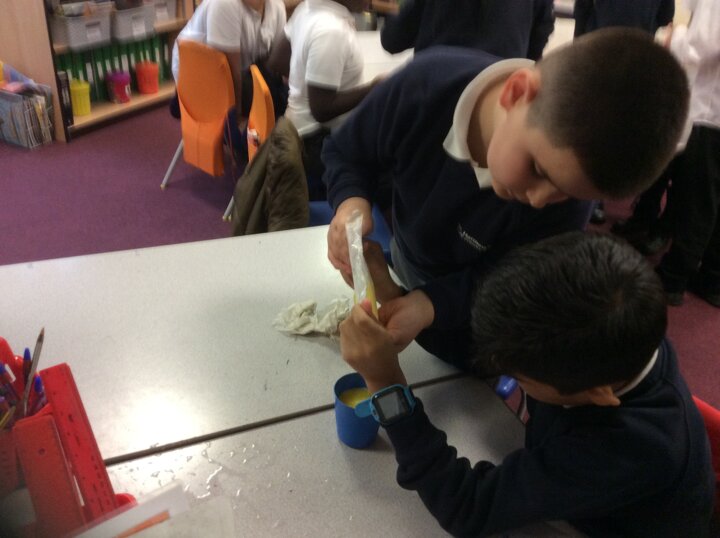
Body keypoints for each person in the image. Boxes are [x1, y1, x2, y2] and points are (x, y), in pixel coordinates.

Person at [323, 28, 689, 366]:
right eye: (539, 169)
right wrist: (351, 201)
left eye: (567, 194)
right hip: (409, 253)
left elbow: (509, 279)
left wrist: (429, 304)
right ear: (516, 93)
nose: (539, 200)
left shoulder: (569, 195)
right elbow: (347, 152)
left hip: (473, 310)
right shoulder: (425, 84)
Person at [340, 232, 715, 537]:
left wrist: (387, 388)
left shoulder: (631, 450)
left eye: (517, 376)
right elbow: (487, 350)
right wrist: (396, 298)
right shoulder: (614, 338)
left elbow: (467, 508)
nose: (503, 371)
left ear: (597, 395)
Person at [572, 0, 675, 224]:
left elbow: (582, 10)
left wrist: (579, 44)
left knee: (595, 126)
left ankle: (590, 196)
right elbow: (665, 16)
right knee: (614, 126)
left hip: (601, 49)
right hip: (634, 52)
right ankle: (598, 194)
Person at [267, 0, 380, 200]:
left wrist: (306, 77)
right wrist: (373, 89)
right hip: (318, 143)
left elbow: (277, 59)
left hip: (297, 128)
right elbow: (322, 110)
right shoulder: (331, 31)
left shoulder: (306, 10)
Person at [654, 0, 720, 308]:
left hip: (712, 114)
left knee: (698, 199)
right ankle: (713, 278)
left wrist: (673, 37)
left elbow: (703, 46)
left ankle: (674, 278)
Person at [170, 0, 288, 157]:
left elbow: (276, 64)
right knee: (262, 142)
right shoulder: (225, 4)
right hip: (203, 82)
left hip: (245, 72)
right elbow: (229, 75)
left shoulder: (276, 6)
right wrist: (238, 119)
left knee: (284, 113)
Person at [380, 0, 555, 61]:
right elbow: (541, 31)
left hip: (435, 98)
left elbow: (392, 40)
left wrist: (386, 8)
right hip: (499, 99)